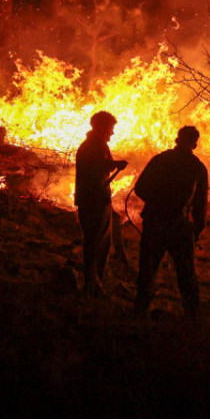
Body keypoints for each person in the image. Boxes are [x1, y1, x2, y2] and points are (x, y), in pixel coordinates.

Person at [132, 125, 208, 319]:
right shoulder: (197, 167)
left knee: (148, 269)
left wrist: (156, 202)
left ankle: (140, 310)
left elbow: (140, 187)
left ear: (177, 139)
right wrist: (197, 229)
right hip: (179, 225)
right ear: (195, 144)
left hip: (155, 221)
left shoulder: (160, 160)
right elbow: (200, 203)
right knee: (186, 273)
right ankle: (193, 317)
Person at [74, 111, 128, 297]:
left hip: (96, 198)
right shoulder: (94, 145)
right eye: (110, 129)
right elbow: (97, 165)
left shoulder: (95, 144)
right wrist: (115, 164)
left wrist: (113, 164)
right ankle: (92, 284)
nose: (112, 133)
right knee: (95, 242)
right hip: (94, 200)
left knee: (99, 241)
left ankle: (95, 282)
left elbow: (100, 164)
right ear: (101, 127)